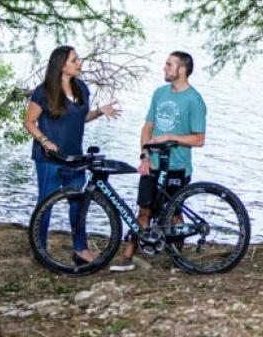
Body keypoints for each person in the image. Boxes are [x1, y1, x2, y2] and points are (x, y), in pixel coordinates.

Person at [24, 45, 121, 265]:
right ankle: (40, 249)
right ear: (61, 65)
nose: (80, 63)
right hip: (49, 160)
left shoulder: (82, 89)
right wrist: (45, 141)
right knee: (45, 204)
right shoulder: (44, 91)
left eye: (78, 60)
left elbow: (80, 118)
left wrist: (98, 112)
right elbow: (29, 122)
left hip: (75, 159)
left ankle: (81, 250)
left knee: (79, 204)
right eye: (75, 60)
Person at [110, 50, 206, 272]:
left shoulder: (194, 100)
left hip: (177, 166)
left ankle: (179, 260)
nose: (164, 68)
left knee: (174, 214)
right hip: (152, 164)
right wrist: (144, 155)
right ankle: (128, 258)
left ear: (182, 70)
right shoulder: (160, 93)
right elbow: (147, 128)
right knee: (143, 210)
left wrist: (171, 137)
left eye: (169, 65)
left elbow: (199, 139)